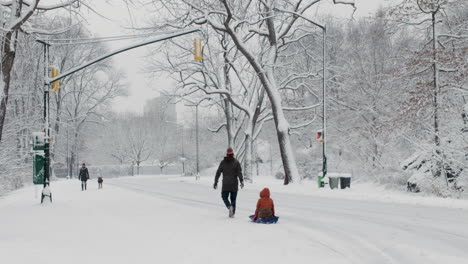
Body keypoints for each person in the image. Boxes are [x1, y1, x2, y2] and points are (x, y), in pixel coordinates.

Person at [214, 147, 244, 218]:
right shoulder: (236, 162)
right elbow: (239, 173)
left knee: (224, 197)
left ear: (227, 154)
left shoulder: (223, 162)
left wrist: (216, 182)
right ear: (232, 154)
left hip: (226, 184)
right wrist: (241, 181)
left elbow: (218, 173)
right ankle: (232, 213)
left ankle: (229, 206)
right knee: (233, 199)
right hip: (234, 185)